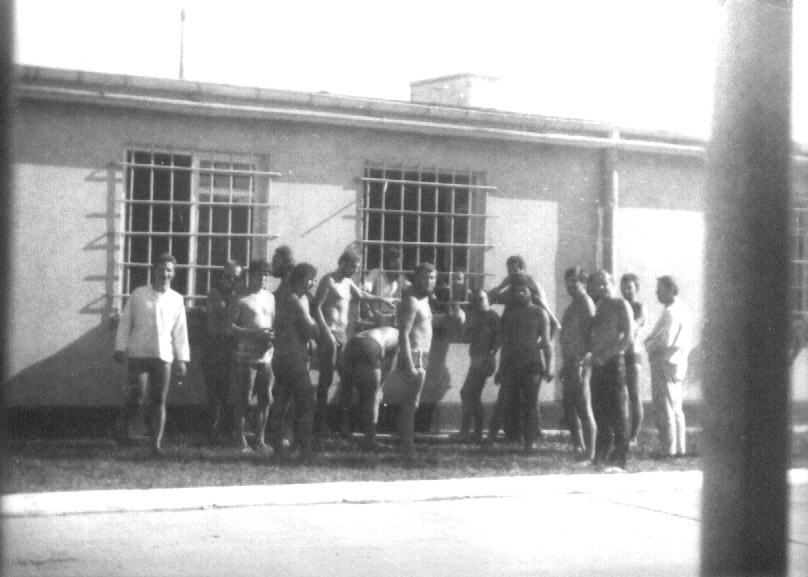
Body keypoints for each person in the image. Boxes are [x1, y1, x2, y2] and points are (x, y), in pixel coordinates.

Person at [313, 250, 394, 438]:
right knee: (325, 381)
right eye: (353, 266)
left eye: (357, 267)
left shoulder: (348, 282)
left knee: (348, 381)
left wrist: (382, 299)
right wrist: (325, 332)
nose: (355, 270)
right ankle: (321, 424)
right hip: (329, 334)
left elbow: (362, 295)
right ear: (342, 263)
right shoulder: (328, 281)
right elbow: (316, 308)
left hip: (342, 335)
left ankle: (343, 425)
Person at [114, 253, 189, 456]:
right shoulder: (138, 295)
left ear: (174, 273)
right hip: (138, 353)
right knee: (137, 396)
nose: (165, 274)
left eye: (169, 270)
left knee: (159, 400)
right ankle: (121, 432)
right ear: (154, 270)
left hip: (163, 355)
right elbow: (125, 322)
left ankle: (155, 443)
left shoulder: (176, 299)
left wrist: (182, 359)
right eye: (161, 269)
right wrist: (120, 348)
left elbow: (180, 331)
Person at [396, 262, 463, 460]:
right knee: (410, 403)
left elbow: (426, 324)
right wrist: (409, 364)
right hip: (413, 354)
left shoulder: (425, 300)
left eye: (432, 278)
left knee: (413, 402)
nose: (429, 281)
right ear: (416, 278)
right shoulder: (411, 301)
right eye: (425, 277)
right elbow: (403, 334)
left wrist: (453, 317)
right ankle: (407, 449)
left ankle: (407, 446)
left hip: (422, 356)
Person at [484, 274, 553, 453]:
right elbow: (506, 343)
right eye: (517, 291)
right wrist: (501, 368)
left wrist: (549, 366)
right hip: (512, 365)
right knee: (503, 401)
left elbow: (546, 342)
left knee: (530, 404)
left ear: (531, 292)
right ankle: (490, 440)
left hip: (532, 365)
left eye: (524, 291)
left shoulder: (540, 313)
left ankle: (529, 444)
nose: (520, 294)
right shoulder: (510, 314)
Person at [268, 262, 320, 458]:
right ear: (299, 280)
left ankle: (282, 447)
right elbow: (312, 330)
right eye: (310, 279)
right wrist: (318, 324)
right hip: (291, 357)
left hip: (288, 356)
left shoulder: (298, 298)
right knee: (307, 401)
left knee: (284, 402)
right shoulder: (293, 300)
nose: (313, 283)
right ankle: (304, 448)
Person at [589, 269, 634, 470]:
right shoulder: (598, 306)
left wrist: (607, 355)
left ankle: (620, 459)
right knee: (600, 412)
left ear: (612, 284)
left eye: (604, 283)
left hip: (614, 364)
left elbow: (628, 337)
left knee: (618, 412)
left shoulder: (620, 304)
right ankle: (601, 456)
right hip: (598, 365)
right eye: (596, 284)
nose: (601, 287)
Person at [644, 275, 693, 459]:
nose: (657, 293)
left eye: (660, 289)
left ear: (671, 290)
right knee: (676, 408)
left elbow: (665, 339)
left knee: (666, 408)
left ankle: (669, 450)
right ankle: (679, 449)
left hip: (665, 362)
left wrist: (649, 344)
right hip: (677, 363)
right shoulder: (683, 310)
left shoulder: (671, 312)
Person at [229, 260, 275, 452]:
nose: (264, 278)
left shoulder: (270, 297)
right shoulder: (240, 298)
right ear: (252, 275)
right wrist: (254, 334)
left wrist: (270, 337)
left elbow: (272, 323)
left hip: (266, 355)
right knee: (244, 398)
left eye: (267, 275)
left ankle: (260, 439)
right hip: (246, 356)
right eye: (260, 274)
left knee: (266, 398)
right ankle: (240, 439)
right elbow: (230, 327)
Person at [338, 326, 399, 449]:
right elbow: (390, 365)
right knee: (372, 397)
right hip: (371, 345)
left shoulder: (383, 330)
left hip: (352, 343)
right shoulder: (400, 335)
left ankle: (344, 432)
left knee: (346, 390)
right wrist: (380, 386)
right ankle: (370, 439)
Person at [203, 260, 243, 445]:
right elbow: (221, 323)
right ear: (221, 276)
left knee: (226, 392)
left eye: (236, 278)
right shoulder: (215, 294)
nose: (232, 281)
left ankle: (222, 431)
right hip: (214, 348)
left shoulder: (236, 295)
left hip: (230, 349)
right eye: (228, 276)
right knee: (214, 393)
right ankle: (212, 433)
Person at [453, 289, 501, 443]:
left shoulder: (492, 316)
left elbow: (499, 337)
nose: (477, 303)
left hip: (485, 360)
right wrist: (461, 321)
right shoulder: (473, 316)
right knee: (471, 395)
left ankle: (469, 431)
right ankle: (474, 432)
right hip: (475, 360)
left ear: (488, 299)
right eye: (474, 300)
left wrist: (491, 354)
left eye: (481, 299)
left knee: (467, 393)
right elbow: (465, 338)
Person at [559, 266, 597, 462]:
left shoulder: (586, 304)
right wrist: (565, 364)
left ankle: (590, 453)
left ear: (583, 283)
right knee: (569, 405)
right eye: (568, 282)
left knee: (583, 406)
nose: (570, 286)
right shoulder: (574, 305)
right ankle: (579, 445)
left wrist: (584, 360)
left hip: (580, 362)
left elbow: (592, 335)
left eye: (575, 281)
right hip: (570, 361)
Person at [620, 273, 646, 445]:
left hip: (633, 354)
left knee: (634, 395)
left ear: (636, 288)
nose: (626, 290)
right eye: (623, 287)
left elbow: (634, 326)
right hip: (619, 354)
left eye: (629, 287)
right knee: (621, 395)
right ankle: (623, 431)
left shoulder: (639, 307)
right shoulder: (620, 305)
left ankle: (634, 436)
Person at [363, 246, 406, 326]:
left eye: (400, 263)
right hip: (377, 318)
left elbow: (411, 289)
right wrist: (368, 312)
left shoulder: (400, 276)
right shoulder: (376, 273)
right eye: (395, 262)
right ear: (387, 261)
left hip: (395, 319)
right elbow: (363, 292)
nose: (398, 266)